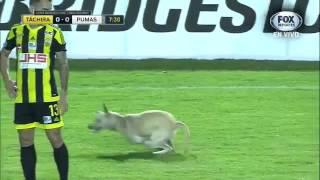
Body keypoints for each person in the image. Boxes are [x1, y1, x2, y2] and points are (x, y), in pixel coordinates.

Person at [0, 0, 69, 179]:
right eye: (45, 10)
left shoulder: (54, 33)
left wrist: (64, 94)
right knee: (25, 141)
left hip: (47, 97)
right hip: (23, 99)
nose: (49, 14)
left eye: (50, 11)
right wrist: (7, 81)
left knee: (55, 138)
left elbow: (63, 63)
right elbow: (4, 54)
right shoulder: (17, 31)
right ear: (32, 9)